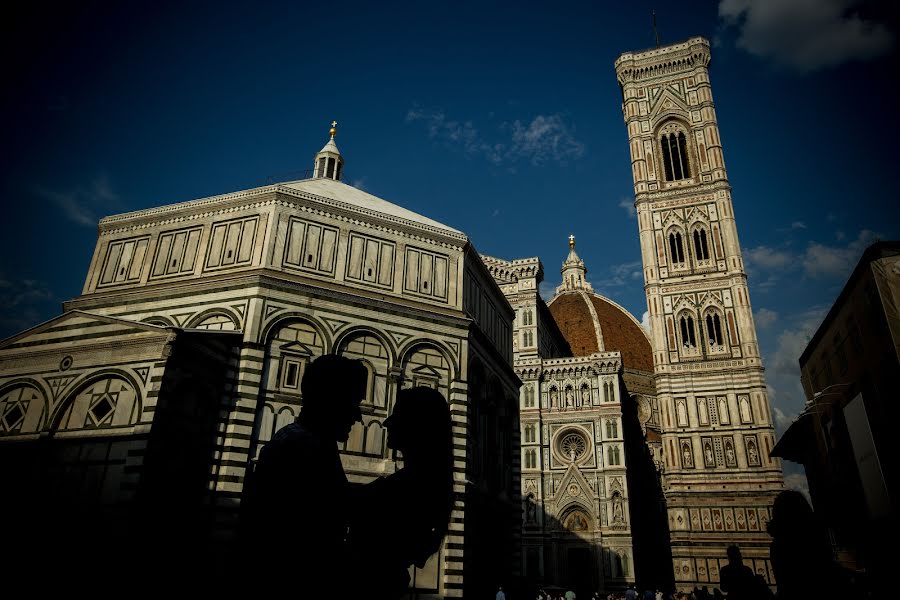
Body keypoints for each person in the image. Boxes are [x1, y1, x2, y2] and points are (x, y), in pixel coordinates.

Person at [240, 354, 367, 593]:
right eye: (352, 401)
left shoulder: (311, 444)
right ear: (330, 400)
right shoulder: (299, 450)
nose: (358, 415)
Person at [347, 386, 454, 598]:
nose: (387, 422)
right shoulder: (426, 487)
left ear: (418, 426)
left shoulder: (401, 492)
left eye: (397, 415)